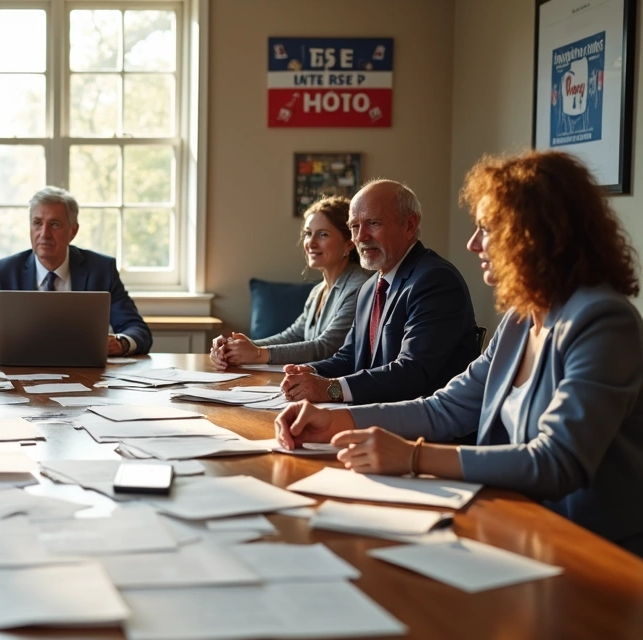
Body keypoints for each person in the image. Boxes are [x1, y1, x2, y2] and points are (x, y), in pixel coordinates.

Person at [276, 150, 643, 556]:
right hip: (514, 524)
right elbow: (443, 409)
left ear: (537, 233)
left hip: (592, 549)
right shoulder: (521, 320)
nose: (472, 244)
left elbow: (557, 461)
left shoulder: (603, 321)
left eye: (486, 228)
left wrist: (415, 457)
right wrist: (335, 420)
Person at [279, 179, 479, 405]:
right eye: (355, 226)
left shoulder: (435, 280)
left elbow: (412, 372)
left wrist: (330, 389)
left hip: (420, 427)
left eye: (373, 223)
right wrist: (308, 371)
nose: (361, 237)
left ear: (410, 225)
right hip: (375, 413)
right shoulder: (369, 287)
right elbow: (349, 357)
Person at [0, 186, 152, 355]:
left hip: (86, 376)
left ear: (73, 231)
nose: (44, 234)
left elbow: (138, 330)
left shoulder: (101, 270)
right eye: (37, 223)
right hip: (20, 377)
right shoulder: (6, 271)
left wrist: (121, 343)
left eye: (55, 225)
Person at [210, 196, 368, 367]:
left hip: (337, 388)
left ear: (349, 243)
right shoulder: (318, 291)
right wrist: (236, 347)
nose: (311, 243)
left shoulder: (358, 288)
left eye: (323, 234)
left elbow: (326, 347)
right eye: (308, 233)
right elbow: (293, 336)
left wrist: (256, 353)